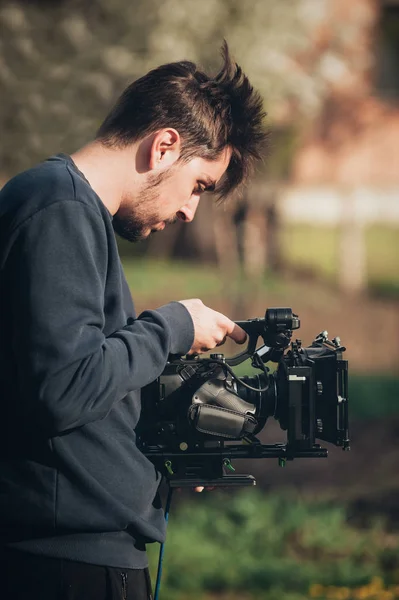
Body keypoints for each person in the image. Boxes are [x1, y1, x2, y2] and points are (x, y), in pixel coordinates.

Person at [0, 42, 267, 599]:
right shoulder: (59, 208)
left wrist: (164, 441)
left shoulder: (71, 211)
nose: (190, 210)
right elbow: (62, 387)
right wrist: (169, 327)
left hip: (80, 556)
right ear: (164, 146)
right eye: (199, 186)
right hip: (63, 568)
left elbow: (74, 382)